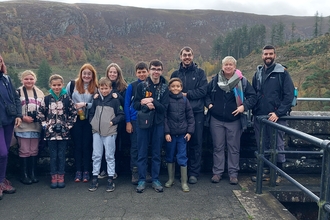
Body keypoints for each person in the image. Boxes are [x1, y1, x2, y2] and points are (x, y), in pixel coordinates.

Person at [205, 56, 257, 185]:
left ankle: (233, 174)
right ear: (222, 66)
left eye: (231, 65)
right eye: (226, 64)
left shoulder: (242, 81)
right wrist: (209, 105)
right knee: (218, 147)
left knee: (234, 148)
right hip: (216, 120)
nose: (228, 67)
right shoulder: (215, 80)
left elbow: (253, 97)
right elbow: (206, 94)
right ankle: (217, 172)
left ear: (235, 67)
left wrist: (243, 107)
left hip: (234, 120)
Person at [251, 45, 294, 185]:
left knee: (277, 145)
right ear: (262, 56)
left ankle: (277, 174)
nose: (268, 56)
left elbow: (289, 95)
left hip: (276, 116)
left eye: (270, 54)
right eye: (265, 54)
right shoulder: (257, 73)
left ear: (275, 55)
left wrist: (278, 113)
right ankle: (264, 172)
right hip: (259, 116)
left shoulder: (282, 73)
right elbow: (253, 94)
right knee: (262, 145)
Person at [171, 46, 207, 184]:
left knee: (196, 143)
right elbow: (171, 91)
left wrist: (187, 94)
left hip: (196, 112)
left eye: (189, 55)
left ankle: (193, 173)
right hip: (179, 114)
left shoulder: (200, 73)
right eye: (184, 55)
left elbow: (203, 90)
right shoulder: (175, 74)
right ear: (180, 57)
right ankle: (181, 172)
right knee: (181, 143)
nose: (187, 57)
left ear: (193, 56)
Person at [133, 59, 169, 193]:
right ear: (149, 71)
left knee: (156, 153)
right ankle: (142, 179)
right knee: (142, 152)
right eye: (153, 69)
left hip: (158, 124)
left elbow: (164, 108)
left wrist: (153, 101)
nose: (156, 71)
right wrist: (144, 104)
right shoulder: (141, 86)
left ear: (162, 71)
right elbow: (135, 104)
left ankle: (155, 179)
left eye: (158, 69)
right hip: (143, 124)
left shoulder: (165, 88)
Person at [37, 74, 77, 189]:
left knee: (61, 155)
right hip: (51, 134)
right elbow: (40, 113)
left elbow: (73, 113)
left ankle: (61, 175)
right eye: (54, 85)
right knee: (53, 155)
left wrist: (68, 126)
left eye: (59, 85)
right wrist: (45, 125)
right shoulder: (47, 99)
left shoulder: (67, 99)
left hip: (63, 133)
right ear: (51, 85)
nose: (57, 87)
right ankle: (53, 176)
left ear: (62, 85)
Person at [88, 77, 124, 192]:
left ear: (110, 88)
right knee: (96, 155)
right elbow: (91, 113)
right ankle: (94, 177)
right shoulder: (96, 99)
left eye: (106, 88)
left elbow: (121, 114)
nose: (104, 91)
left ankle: (110, 178)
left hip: (109, 132)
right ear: (99, 88)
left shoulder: (115, 100)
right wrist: (92, 123)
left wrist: (112, 122)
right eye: (102, 88)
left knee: (109, 156)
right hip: (97, 132)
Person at [66, 64, 98, 183]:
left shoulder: (96, 87)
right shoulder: (72, 85)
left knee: (87, 145)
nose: (86, 76)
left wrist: (85, 105)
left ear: (92, 75)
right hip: (76, 119)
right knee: (77, 145)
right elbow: (67, 100)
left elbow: (97, 104)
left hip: (89, 120)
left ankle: (86, 171)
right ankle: (78, 170)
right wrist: (74, 107)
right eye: (84, 73)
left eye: (89, 74)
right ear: (81, 74)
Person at [98, 63, 128, 179]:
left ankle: (114, 170)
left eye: (114, 72)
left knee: (115, 146)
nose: (112, 74)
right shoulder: (103, 85)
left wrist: (118, 96)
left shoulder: (123, 87)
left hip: (117, 121)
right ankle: (104, 169)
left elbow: (125, 103)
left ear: (118, 74)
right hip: (103, 121)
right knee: (103, 146)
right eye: (110, 72)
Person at [164, 78, 195, 192]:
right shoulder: (167, 100)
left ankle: (184, 182)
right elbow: (164, 117)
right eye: (173, 86)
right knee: (170, 156)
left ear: (181, 88)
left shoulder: (185, 100)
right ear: (169, 88)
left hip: (182, 135)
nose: (175, 88)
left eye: (178, 86)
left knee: (182, 157)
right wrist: (166, 132)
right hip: (170, 135)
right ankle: (171, 179)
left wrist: (189, 132)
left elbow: (190, 117)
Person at [15, 70, 45, 185]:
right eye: (26, 79)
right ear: (22, 80)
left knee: (33, 150)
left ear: (35, 80)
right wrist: (22, 117)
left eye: (31, 79)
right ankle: (24, 175)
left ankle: (32, 173)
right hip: (22, 126)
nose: (29, 81)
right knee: (24, 150)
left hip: (36, 126)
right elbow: (14, 109)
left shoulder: (40, 93)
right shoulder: (17, 92)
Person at [124, 61, 151, 185]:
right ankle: (135, 171)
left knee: (145, 146)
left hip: (149, 120)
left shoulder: (151, 85)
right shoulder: (132, 86)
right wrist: (128, 122)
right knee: (135, 147)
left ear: (148, 72)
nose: (141, 74)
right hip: (135, 120)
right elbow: (126, 105)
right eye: (139, 72)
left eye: (144, 72)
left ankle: (144, 170)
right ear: (136, 73)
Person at [0, 55, 22, 200]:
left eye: (0, 61)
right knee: (2, 152)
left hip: (8, 120)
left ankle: (1, 181)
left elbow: (15, 98)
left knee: (5, 152)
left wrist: (18, 115)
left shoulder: (6, 79)